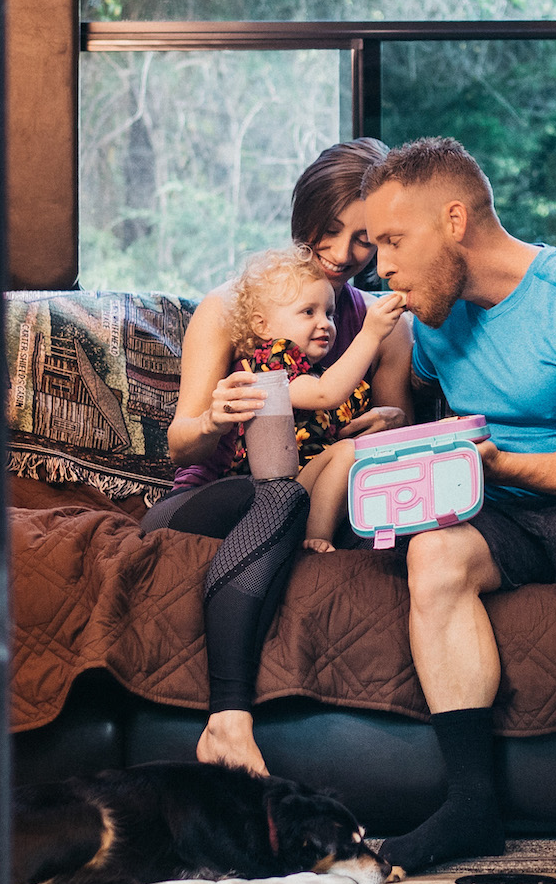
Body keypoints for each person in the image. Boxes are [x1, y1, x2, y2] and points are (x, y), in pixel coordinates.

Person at [350, 135, 556, 873]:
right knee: (433, 551)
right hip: (497, 500)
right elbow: (436, 410)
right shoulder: (435, 319)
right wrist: (396, 431)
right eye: (374, 247)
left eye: (394, 241)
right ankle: (471, 808)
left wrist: (508, 462)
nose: (382, 266)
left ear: (456, 220)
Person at [145, 138, 417, 776]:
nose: (346, 256)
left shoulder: (384, 325)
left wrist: (376, 428)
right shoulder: (231, 309)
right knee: (282, 495)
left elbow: (391, 436)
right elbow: (179, 442)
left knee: (294, 492)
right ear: (304, 221)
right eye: (331, 232)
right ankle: (229, 718)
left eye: (365, 239)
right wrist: (215, 417)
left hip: (318, 490)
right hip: (207, 497)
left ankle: (227, 726)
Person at [210, 244, 409, 550]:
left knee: (359, 455)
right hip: (270, 495)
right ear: (262, 325)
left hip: (306, 485)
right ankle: (315, 538)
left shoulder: (315, 371)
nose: (324, 323)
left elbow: (334, 403)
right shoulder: (270, 365)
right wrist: (370, 334)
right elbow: (326, 394)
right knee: (347, 452)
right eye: (308, 312)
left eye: (329, 313)